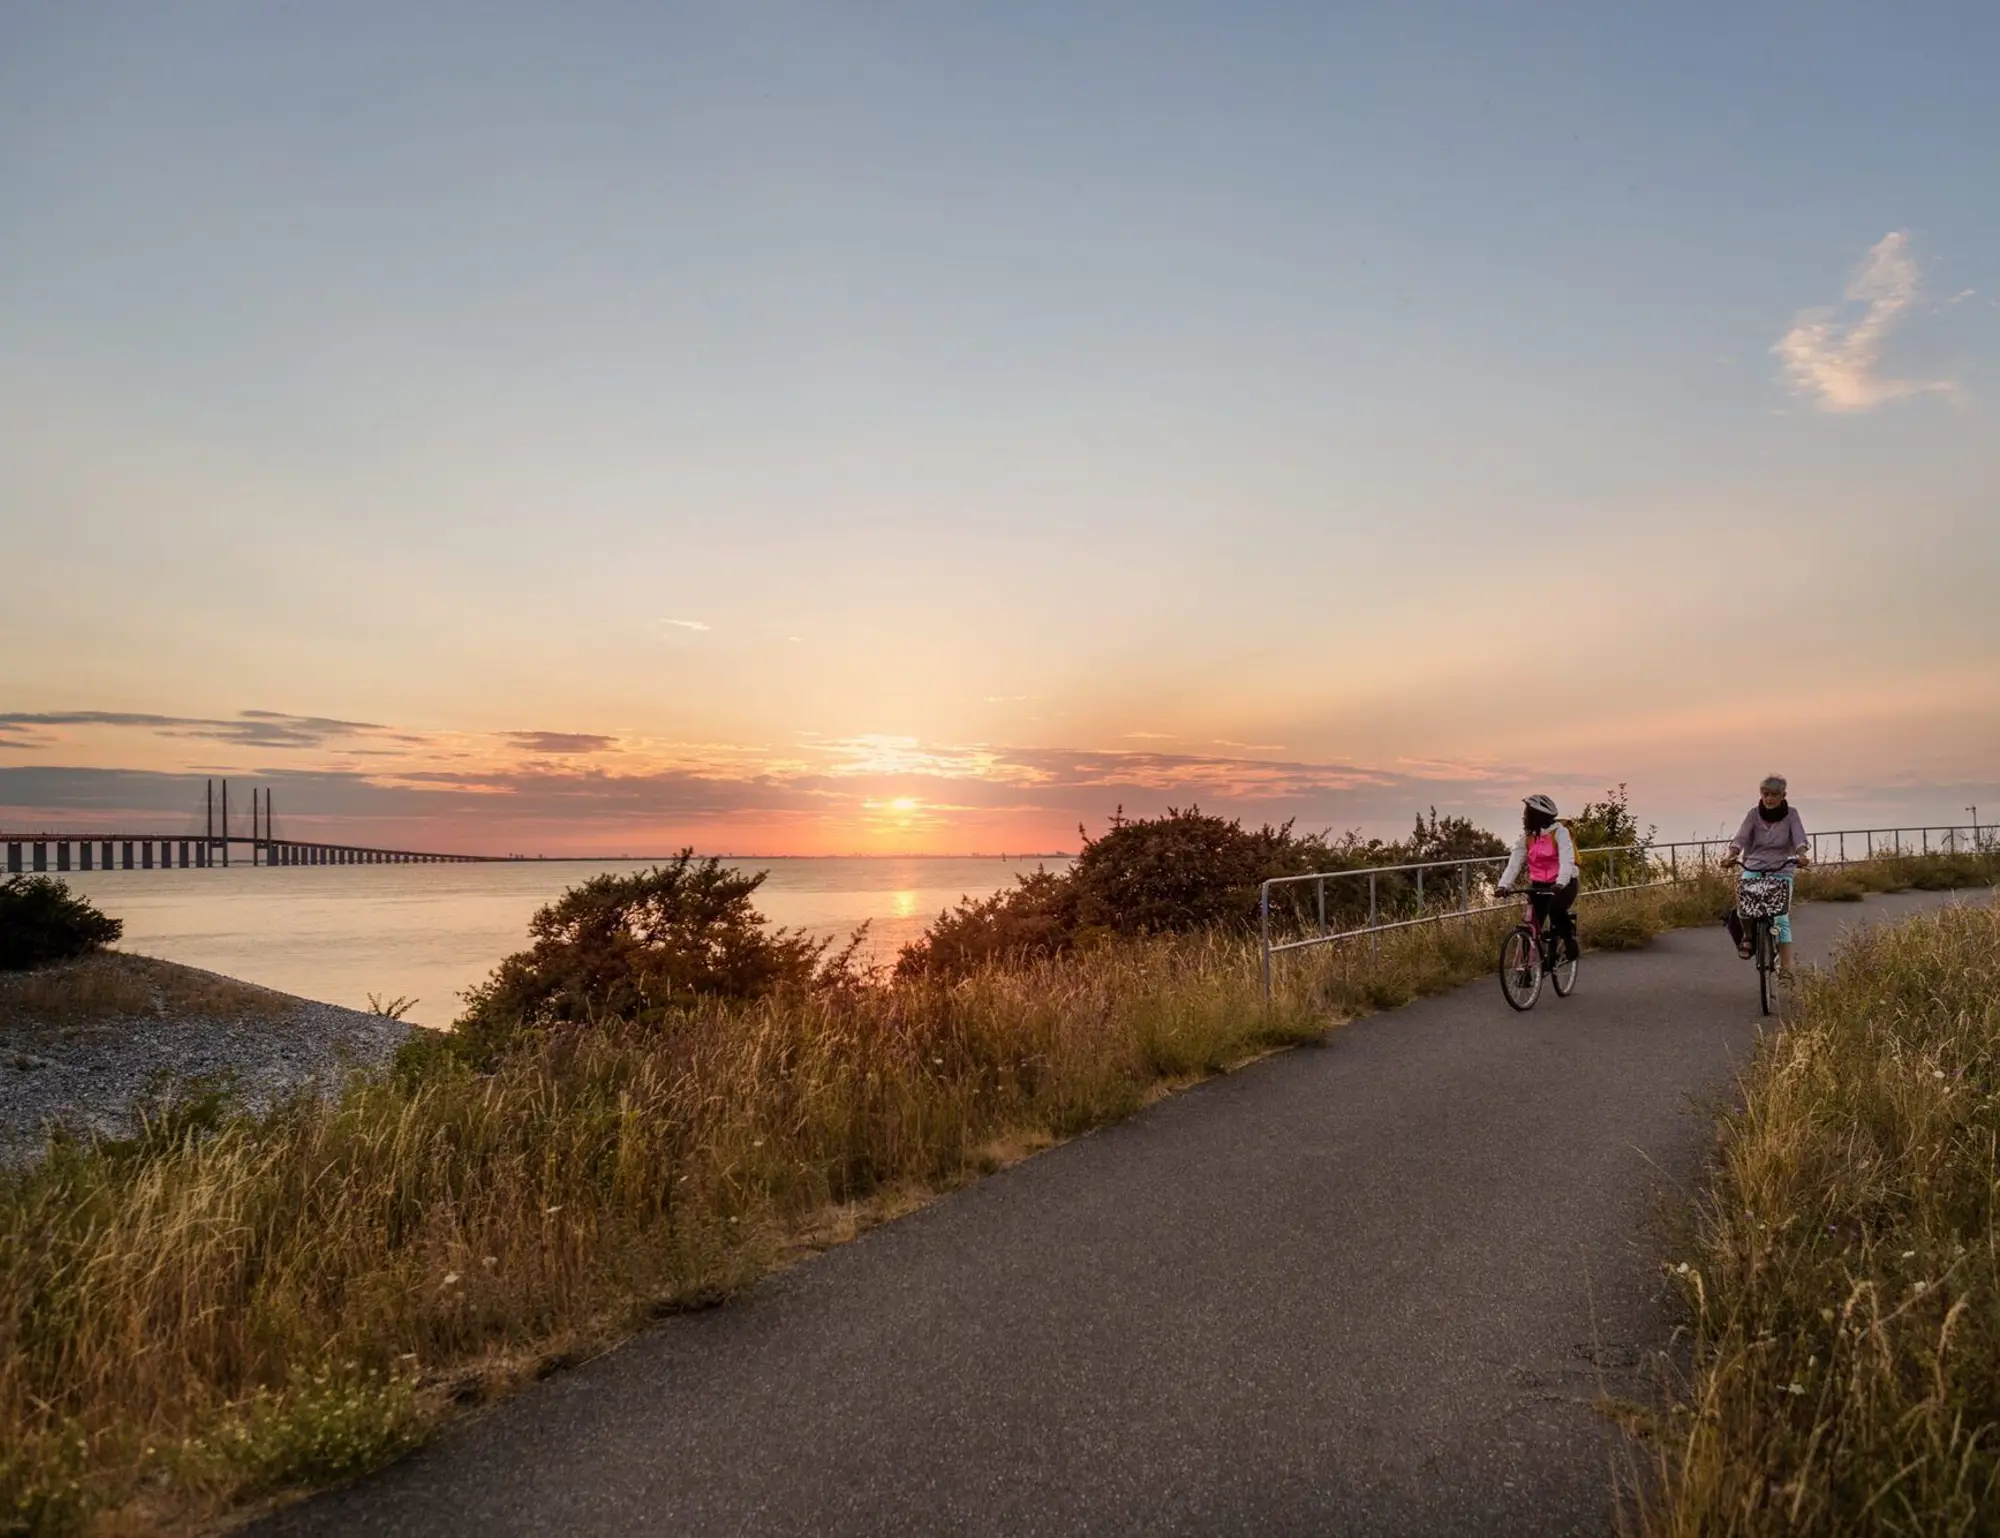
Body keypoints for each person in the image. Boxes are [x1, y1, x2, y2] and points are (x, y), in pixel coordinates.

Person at [1722, 774, 1811, 976]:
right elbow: (1741, 837)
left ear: (1783, 796)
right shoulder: (1753, 814)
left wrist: (1802, 855)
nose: (1769, 799)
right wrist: (1731, 855)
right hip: (1754, 865)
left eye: (1774, 795)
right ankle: (1748, 936)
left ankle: (1787, 967)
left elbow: (1799, 837)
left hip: (1781, 867)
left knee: (1780, 919)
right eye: (1765, 794)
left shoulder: (1791, 815)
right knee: (1745, 903)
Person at [1496, 794, 1580, 960]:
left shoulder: (1560, 833)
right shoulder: (1526, 838)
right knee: (1532, 925)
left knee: (1555, 910)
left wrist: (1561, 882)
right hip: (1539, 883)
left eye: (1527, 813)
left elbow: (1567, 860)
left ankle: (1569, 939)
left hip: (1565, 883)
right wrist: (1503, 885)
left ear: (1537, 815)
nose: (1524, 817)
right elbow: (1514, 864)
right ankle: (1525, 970)